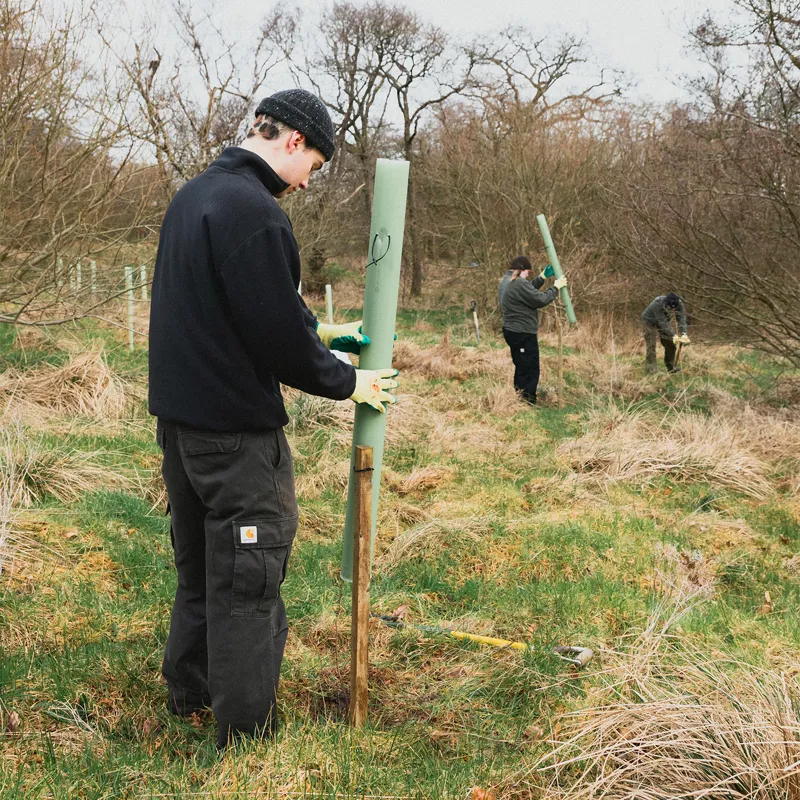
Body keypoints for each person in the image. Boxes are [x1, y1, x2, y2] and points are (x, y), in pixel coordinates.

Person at [148, 88, 399, 750]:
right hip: (234, 438)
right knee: (248, 578)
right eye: (313, 165)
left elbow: (245, 305)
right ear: (292, 141)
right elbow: (274, 338)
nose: (308, 180)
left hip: (181, 430)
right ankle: (245, 734)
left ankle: (191, 691)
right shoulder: (254, 213)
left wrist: (325, 330)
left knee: (203, 566)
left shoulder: (194, 197)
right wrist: (349, 382)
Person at [498, 255, 567, 405]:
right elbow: (540, 299)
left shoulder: (507, 281)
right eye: (528, 271)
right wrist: (556, 287)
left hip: (512, 331)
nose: (529, 274)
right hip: (522, 333)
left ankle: (519, 397)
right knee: (530, 368)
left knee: (521, 364)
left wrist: (542, 277)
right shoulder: (518, 283)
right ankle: (527, 401)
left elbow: (527, 291)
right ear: (521, 270)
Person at [641, 292, 690, 373]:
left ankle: (670, 367)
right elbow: (662, 322)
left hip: (664, 322)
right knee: (651, 346)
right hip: (649, 321)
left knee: (671, 343)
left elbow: (681, 319)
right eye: (671, 308)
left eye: (674, 308)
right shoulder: (657, 304)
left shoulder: (679, 303)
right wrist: (673, 335)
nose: (673, 310)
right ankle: (651, 369)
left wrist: (684, 333)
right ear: (666, 303)